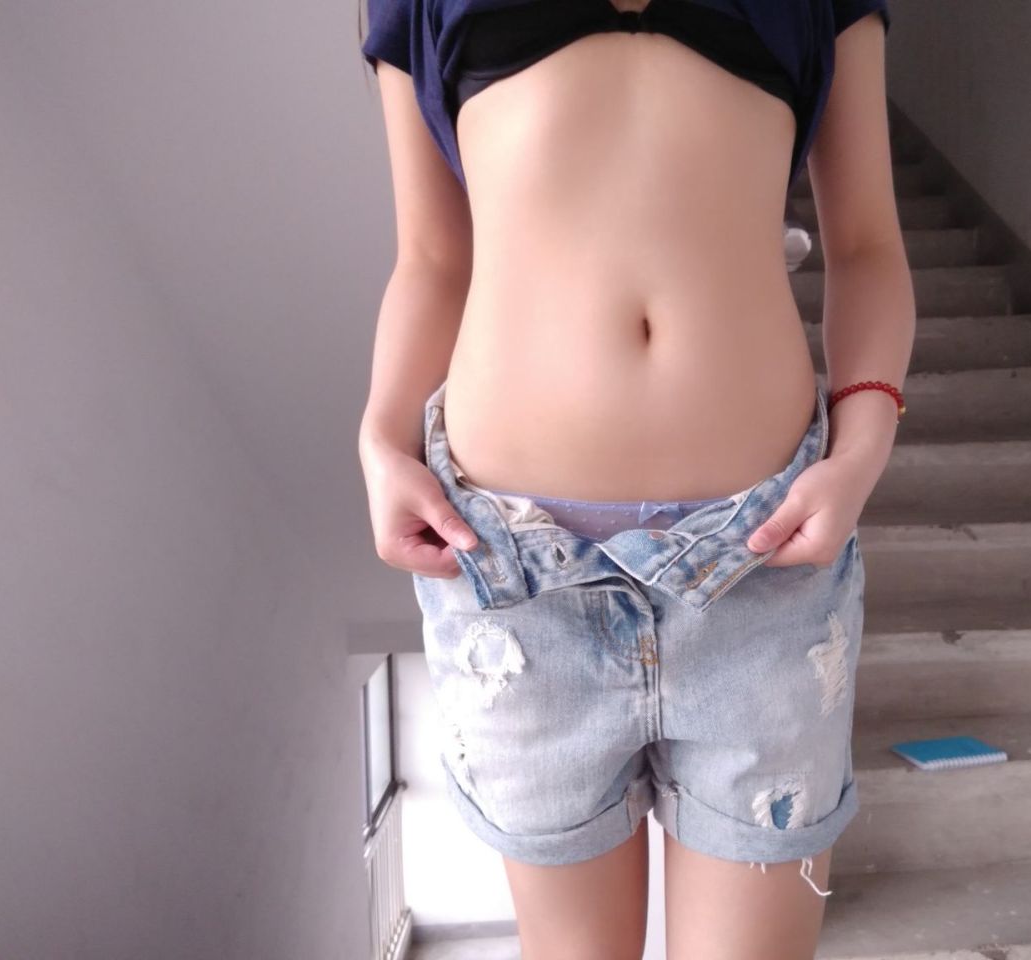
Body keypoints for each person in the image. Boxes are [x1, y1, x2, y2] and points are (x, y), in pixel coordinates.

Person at [357, 1, 915, 957]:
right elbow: (434, 257)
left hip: (761, 560)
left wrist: (860, 452)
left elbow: (865, 243)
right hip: (516, 577)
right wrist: (381, 439)